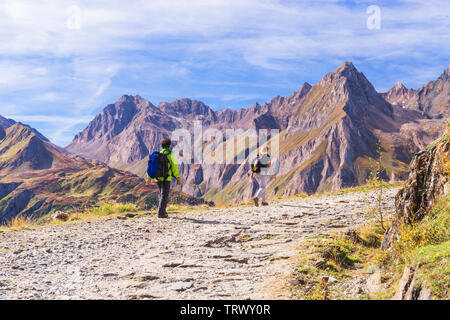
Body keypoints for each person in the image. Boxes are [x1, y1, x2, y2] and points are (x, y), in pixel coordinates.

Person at [146, 139, 181, 218]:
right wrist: (178, 178)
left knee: (161, 194)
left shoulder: (157, 155)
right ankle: (161, 213)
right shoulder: (170, 154)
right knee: (164, 195)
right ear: (169, 146)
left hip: (157, 178)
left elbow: (150, 166)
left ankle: (162, 211)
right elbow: (174, 167)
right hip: (166, 178)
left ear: (162, 146)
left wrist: (149, 178)